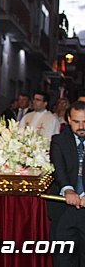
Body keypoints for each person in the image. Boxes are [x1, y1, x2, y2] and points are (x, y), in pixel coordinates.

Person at [47, 101, 85, 265]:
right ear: (69, 119)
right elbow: (59, 169)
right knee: (63, 259)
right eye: (77, 122)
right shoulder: (58, 141)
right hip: (64, 209)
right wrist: (68, 190)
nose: (81, 126)